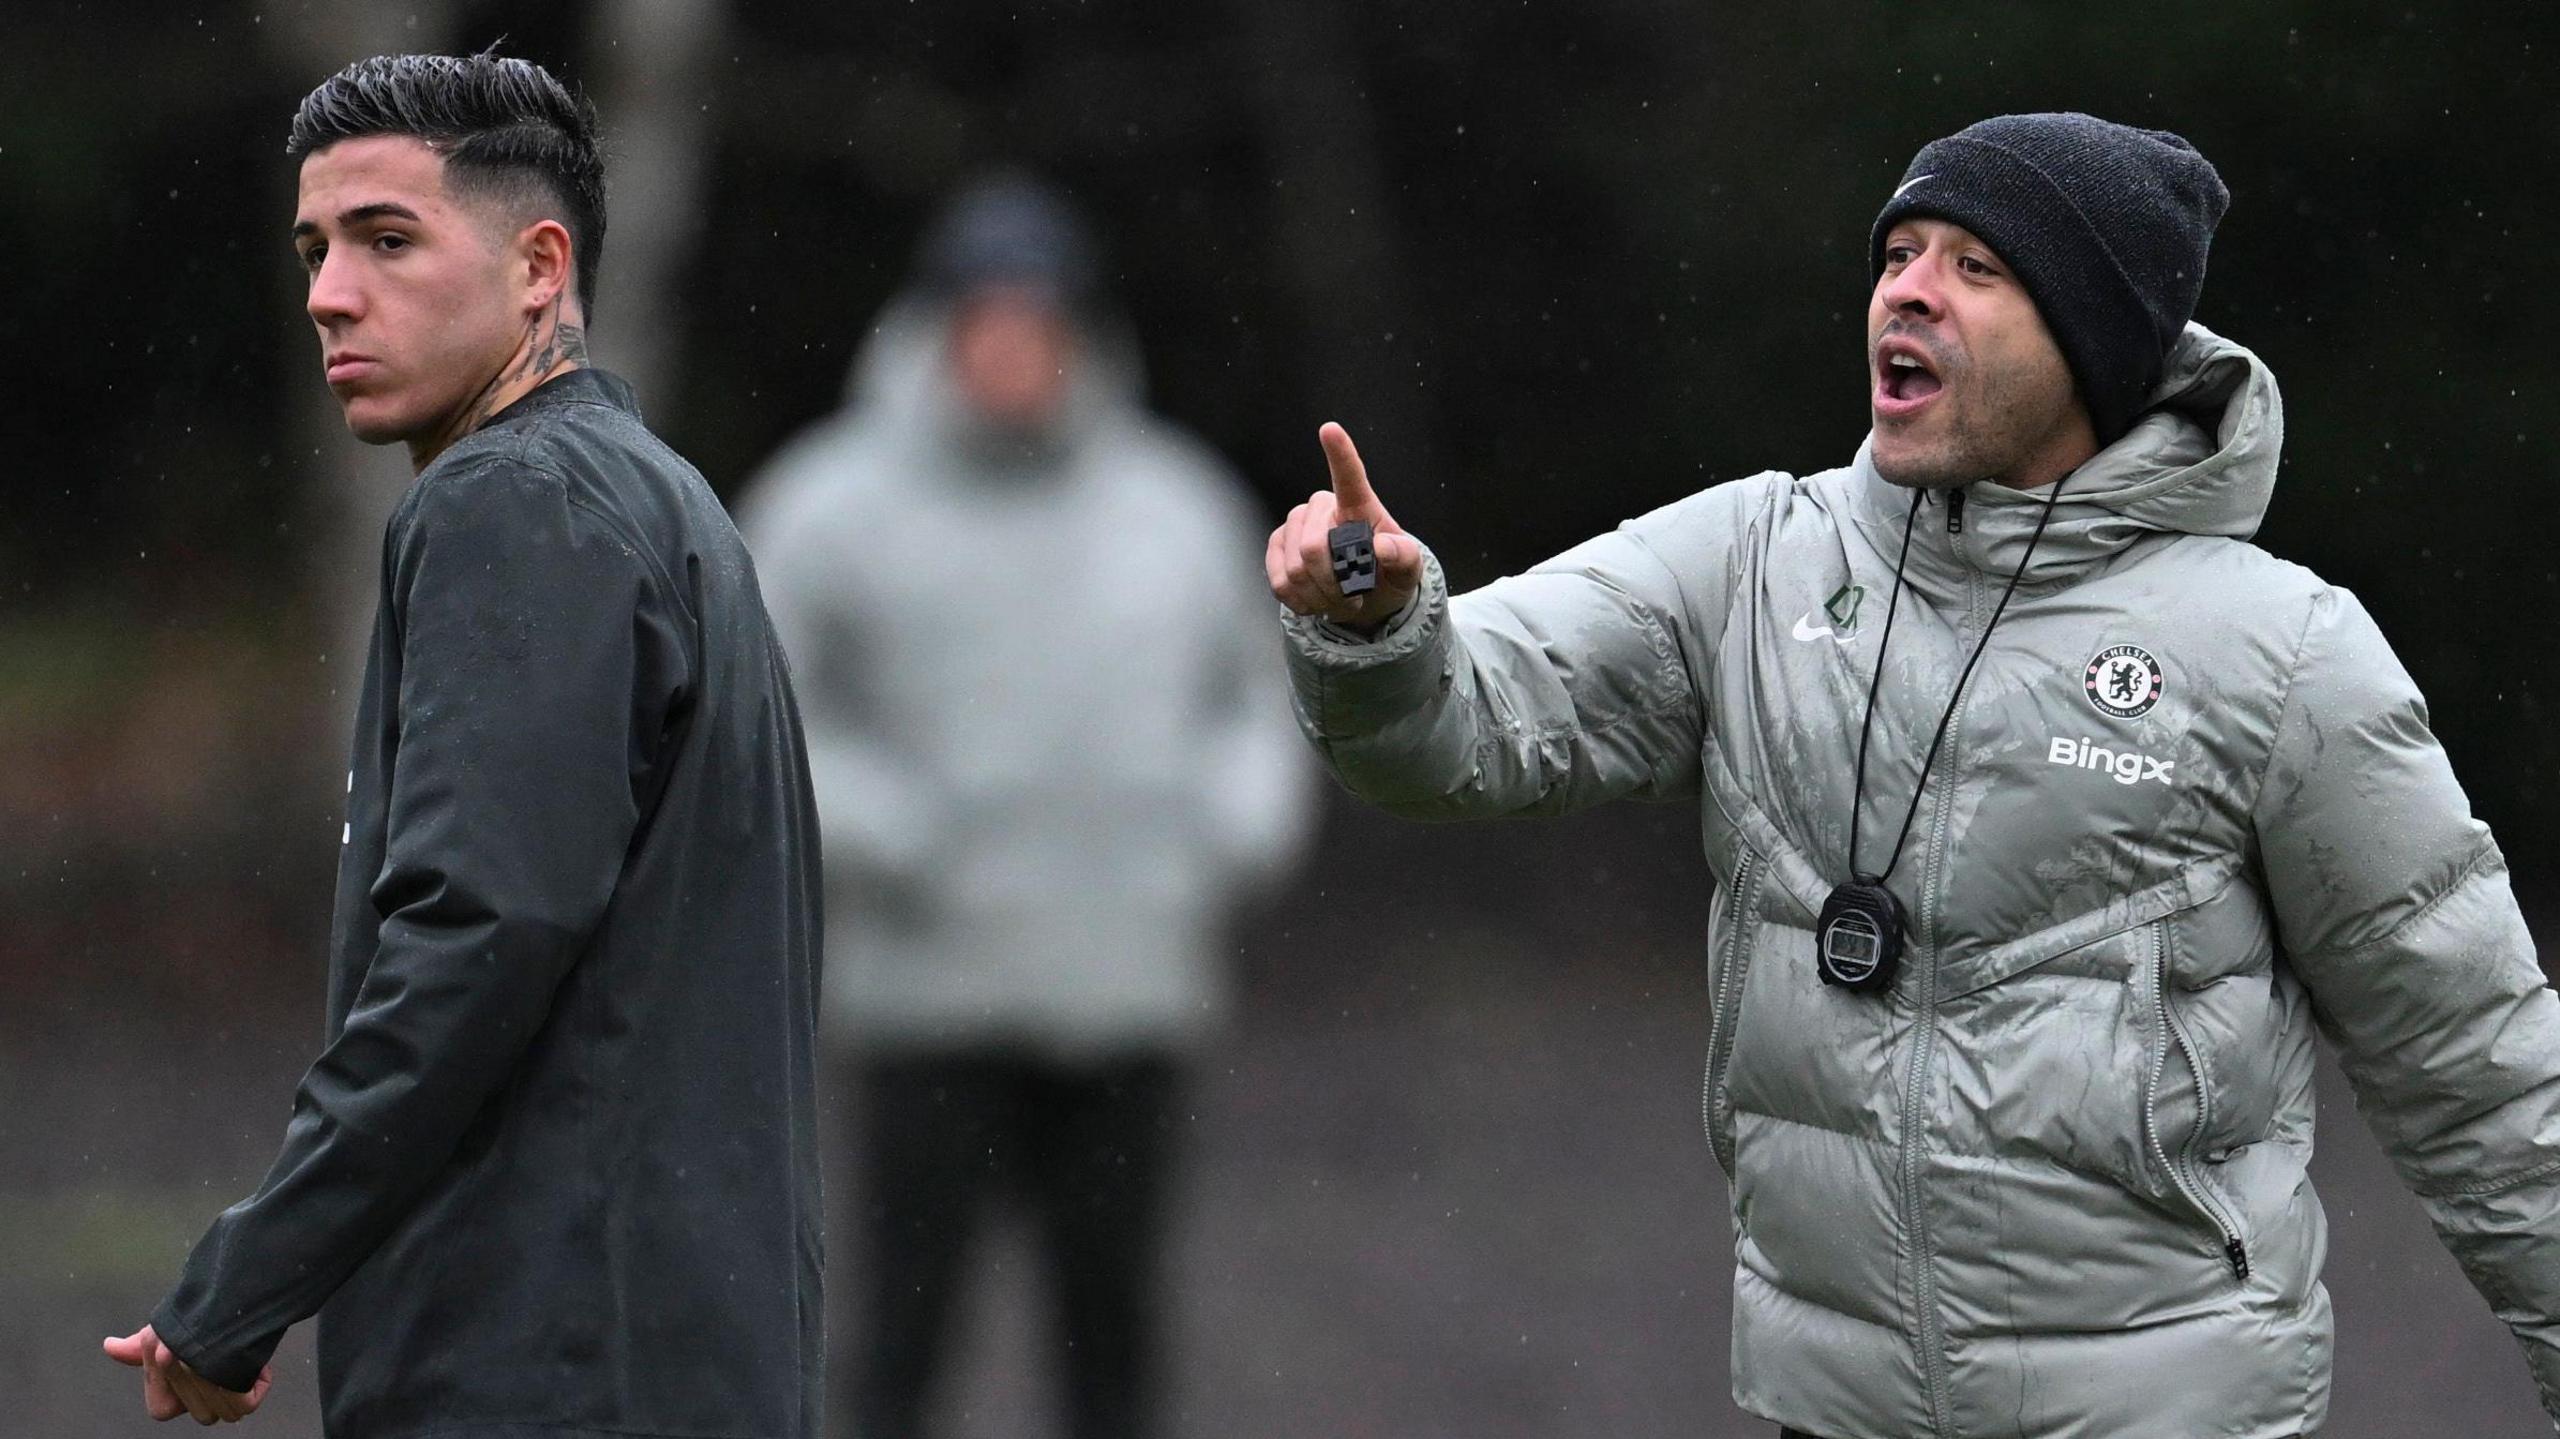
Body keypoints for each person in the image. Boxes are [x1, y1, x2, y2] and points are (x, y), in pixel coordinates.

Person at [1266, 113, 2560, 1438]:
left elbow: (2482, 1064)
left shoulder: (2282, 651)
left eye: (1978, 266)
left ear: (2095, 339)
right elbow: (1470, 723)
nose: (1909, 286)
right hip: (1833, 1407)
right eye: (1900, 251)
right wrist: (1375, 624)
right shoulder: (1756, 559)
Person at [100, 53, 825, 1435]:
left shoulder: (515, 505)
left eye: (386, 238)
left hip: (545, 1360)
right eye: (314, 247)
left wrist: (247, 1277)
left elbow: (474, 940)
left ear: (539, 267)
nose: (327, 291)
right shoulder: (661, 500)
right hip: (671, 1345)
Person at [740, 174, 1314, 1439]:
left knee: (1114, 1340)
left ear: (1078, 331)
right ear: (936, 329)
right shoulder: (830, 508)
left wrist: (1231, 829)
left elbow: (1258, 698)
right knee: (899, 1342)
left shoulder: (1176, 506)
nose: (1010, 348)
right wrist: (892, 832)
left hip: (1126, 994)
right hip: (925, 1004)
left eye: (1036, 320)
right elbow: (756, 725)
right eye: (983, 319)